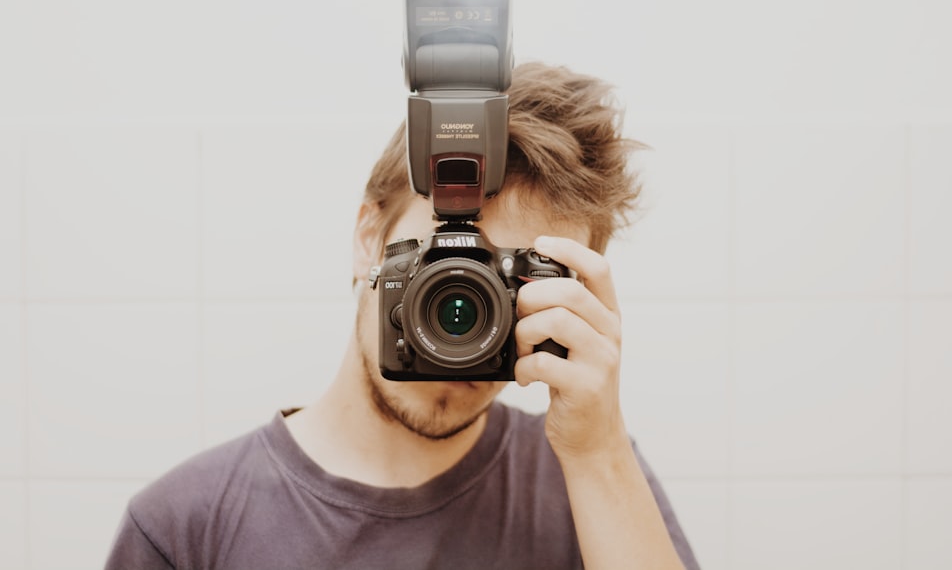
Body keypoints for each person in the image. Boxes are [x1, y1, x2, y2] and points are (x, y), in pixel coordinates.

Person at [105, 61, 700, 570]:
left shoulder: (590, 486)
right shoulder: (185, 529)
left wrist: (599, 452)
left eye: (508, 280)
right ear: (370, 236)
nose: (468, 313)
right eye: (446, 263)